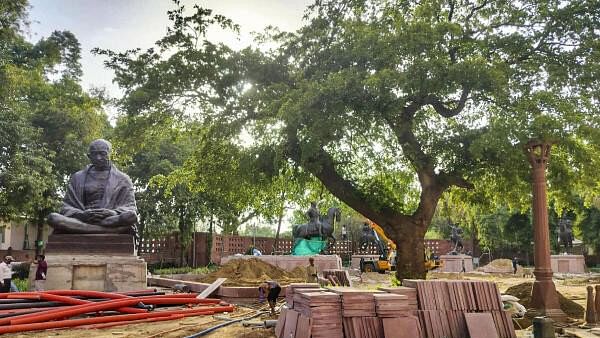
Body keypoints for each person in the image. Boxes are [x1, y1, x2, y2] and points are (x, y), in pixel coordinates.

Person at [47, 139, 138, 235]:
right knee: (53, 218)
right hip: (83, 220)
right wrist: (81, 215)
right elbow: (66, 207)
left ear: (109, 154)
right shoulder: (77, 177)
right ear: (89, 156)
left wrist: (112, 213)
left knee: (131, 217)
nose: (98, 158)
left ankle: (84, 230)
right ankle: (104, 231)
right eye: (94, 154)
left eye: (102, 154)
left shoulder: (123, 179)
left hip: (110, 220)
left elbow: (130, 208)